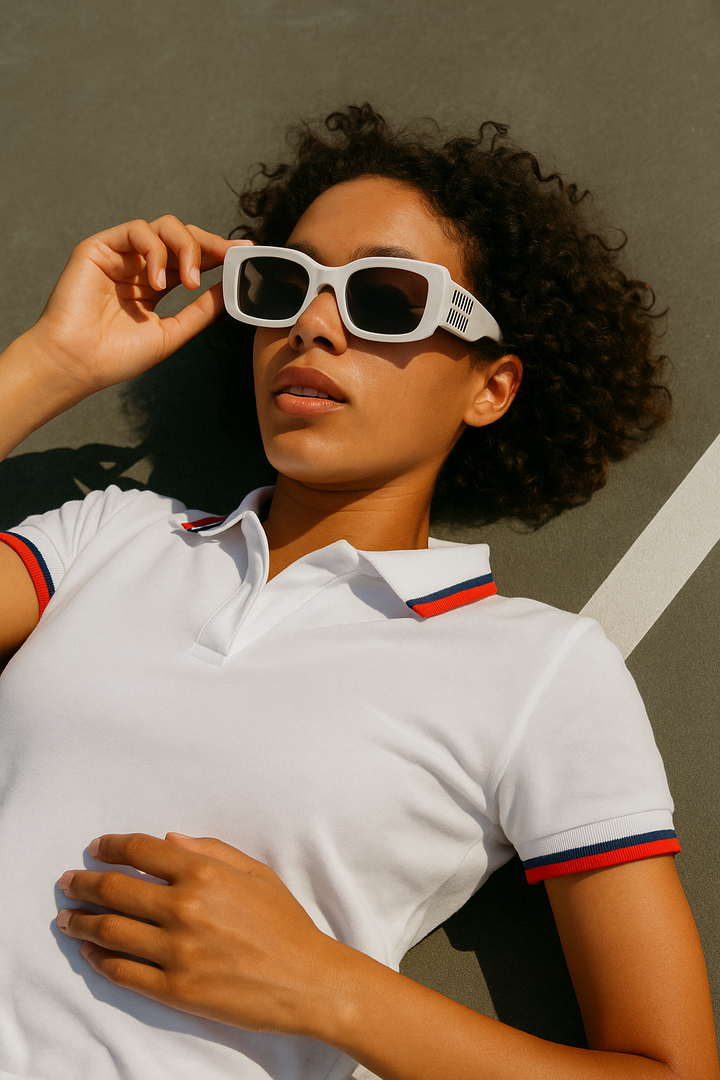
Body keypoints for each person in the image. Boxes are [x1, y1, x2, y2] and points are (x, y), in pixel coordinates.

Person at [0, 104, 717, 1080]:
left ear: (490, 386)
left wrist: (325, 987)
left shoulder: (539, 670)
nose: (313, 324)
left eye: (384, 299)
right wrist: (49, 364)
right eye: (283, 284)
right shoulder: (108, 535)